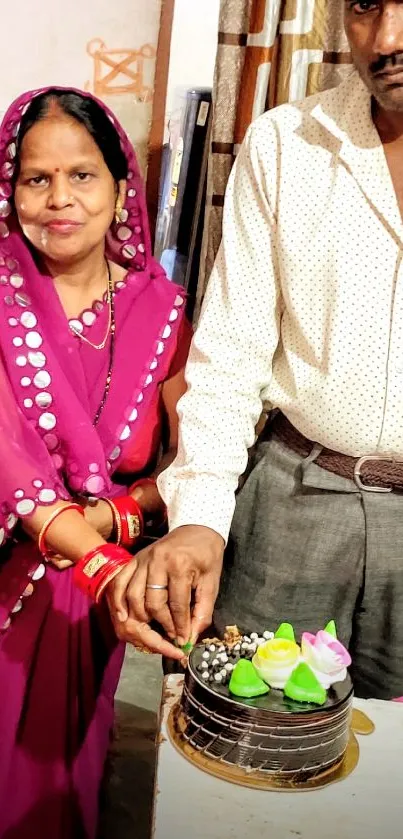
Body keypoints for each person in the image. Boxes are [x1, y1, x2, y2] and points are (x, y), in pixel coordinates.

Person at [130, 1, 403, 701]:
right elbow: (228, 355)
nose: (387, 38)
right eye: (367, 6)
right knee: (245, 748)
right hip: (292, 505)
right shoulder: (286, 144)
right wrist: (197, 518)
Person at [0, 86, 191, 838]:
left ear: (121, 189)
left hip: (94, 607)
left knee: (66, 790)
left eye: (82, 175)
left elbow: (193, 455)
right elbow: (9, 462)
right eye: (35, 179)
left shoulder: (162, 309)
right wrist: (103, 559)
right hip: (25, 575)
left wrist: (120, 513)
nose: (59, 199)